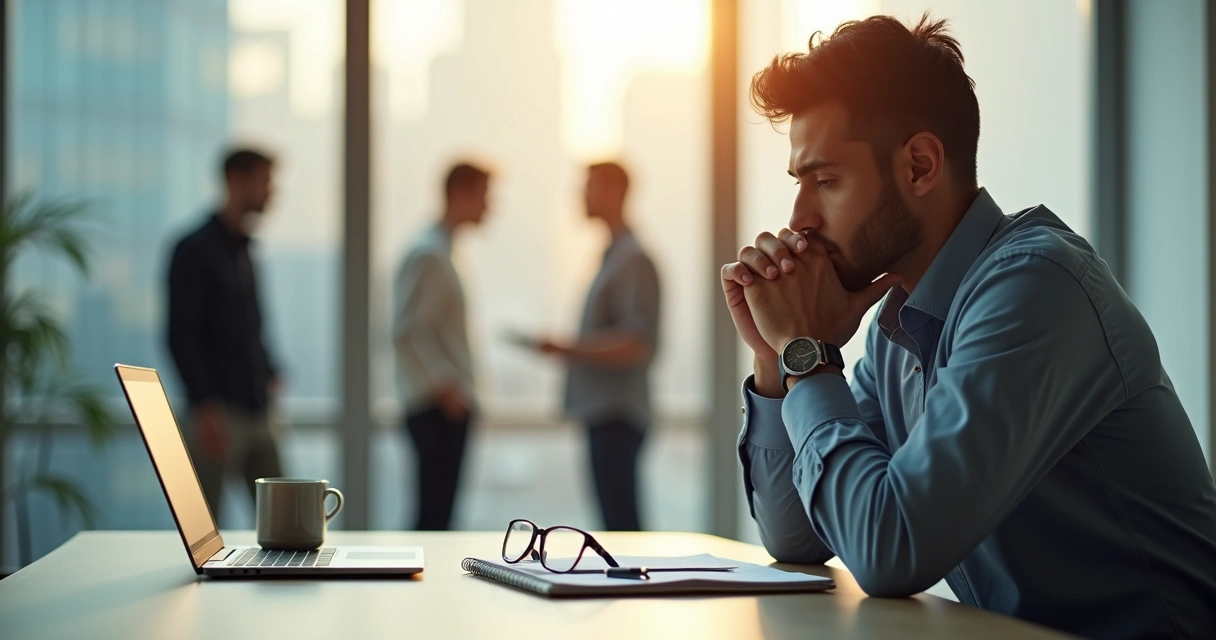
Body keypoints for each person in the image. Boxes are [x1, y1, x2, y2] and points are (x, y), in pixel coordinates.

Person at [720, 14, 1216, 638]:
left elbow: (888, 550)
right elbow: (796, 536)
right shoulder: (900, 327)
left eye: (827, 180)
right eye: (801, 183)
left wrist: (808, 356)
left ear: (921, 166)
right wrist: (777, 360)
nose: (800, 217)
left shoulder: (1035, 289)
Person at [533, 162, 660, 531]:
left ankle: (632, 589)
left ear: (615, 192)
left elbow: (637, 343)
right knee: (616, 520)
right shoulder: (614, 256)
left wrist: (567, 350)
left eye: (589, 187)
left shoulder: (631, 259)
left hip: (617, 412)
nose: (581, 196)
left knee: (621, 524)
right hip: (607, 411)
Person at [168, 147, 284, 522]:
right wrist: (205, 405)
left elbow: (249, 328)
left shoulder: (245, 252)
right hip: (216, 413)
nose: (272, 191)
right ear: (237, 180)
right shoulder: (194, 250)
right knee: (204, 529)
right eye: (265, 181)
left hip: (256, 409)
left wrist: (269, 370)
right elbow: (180, 335)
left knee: (284, 524)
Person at [392, 162, 491, 531]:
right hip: (437, 407)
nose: (489, 206)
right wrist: (447, 387)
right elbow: (408, 330)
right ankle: (422, 587)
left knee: (438, 514)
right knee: (434, 517)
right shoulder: (429, 254)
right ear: (460, 194)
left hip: (442, 404)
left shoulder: (441, 251)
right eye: (484, 195)